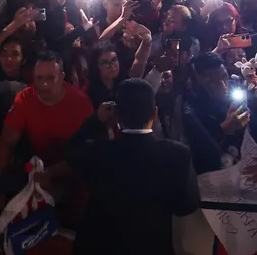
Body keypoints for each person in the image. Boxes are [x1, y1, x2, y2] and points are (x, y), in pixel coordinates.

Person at [66, 78, 200, 255]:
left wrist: (95, 121)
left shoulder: (97, 152)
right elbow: (186, 206)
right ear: (154, 113)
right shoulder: (177, 155)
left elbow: (71, 151)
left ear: (117, 115)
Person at [0, 52, 93, 185]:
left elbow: (88, 152)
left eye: (51, 78)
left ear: (62, 77)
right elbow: (7, 141)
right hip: (33, 170)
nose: (44, 84)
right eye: (39, 78)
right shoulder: (24, 99)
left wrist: (50, 174)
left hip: (72, 173)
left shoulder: (81, 103)